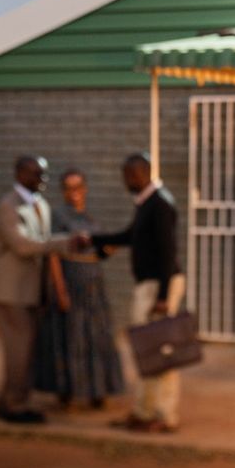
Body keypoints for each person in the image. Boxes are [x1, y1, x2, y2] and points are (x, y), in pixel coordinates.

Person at [92, 154, 184, 433]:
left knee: (160, 350)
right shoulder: (146, 204)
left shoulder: (160, 205)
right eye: (125, 175)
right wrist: (94, 239)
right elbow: (130, 236)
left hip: (159, 286)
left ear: (143, 173)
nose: (126, 181)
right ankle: (143, 411)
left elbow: (169, 252)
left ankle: (164, 415)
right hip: (150, 285)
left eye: (130, 175)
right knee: (145, 349)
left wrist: (164, 297)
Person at [0, 155, 82, 425]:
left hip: (33, 290)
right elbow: (22, 245)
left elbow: (41, 244)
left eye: (44, 175)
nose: (42, 180)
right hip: (12, 291)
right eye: (36, 174)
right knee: (19, 349)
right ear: (19, 174)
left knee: (28, 349)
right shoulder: (8, 206)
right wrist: (63, 243)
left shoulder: (39, 204)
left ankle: (10, 399)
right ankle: (14, 405)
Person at [34, 168, 125, 410]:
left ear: (84, 189)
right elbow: (52, 254)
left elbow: (99, 252)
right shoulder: (58, 216)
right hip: (71, 282)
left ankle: (98, 389)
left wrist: (112, 245)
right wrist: (60, 289)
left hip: (93, 286)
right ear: (63, 191)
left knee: (96, 338)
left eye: (78, 187)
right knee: (72, 337)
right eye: (68, 188)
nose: (74, 193)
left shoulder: (90, 219)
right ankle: (69, 391)